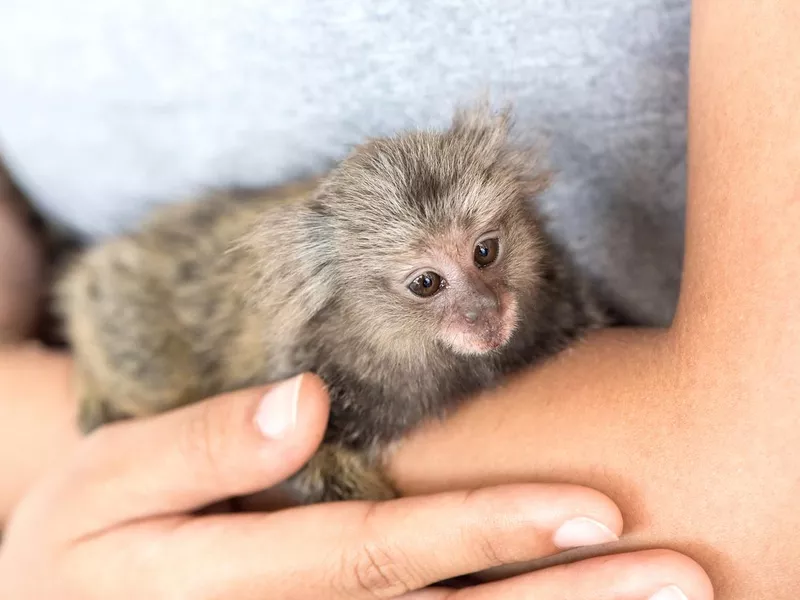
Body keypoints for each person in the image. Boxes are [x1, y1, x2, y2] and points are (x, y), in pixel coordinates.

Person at [2, 0, 799, 596]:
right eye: (428, 284)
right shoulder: (325, 348)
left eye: (486, 254)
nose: (482, 300)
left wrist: (61, 461)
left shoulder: (532, 262)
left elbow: (764, 498)